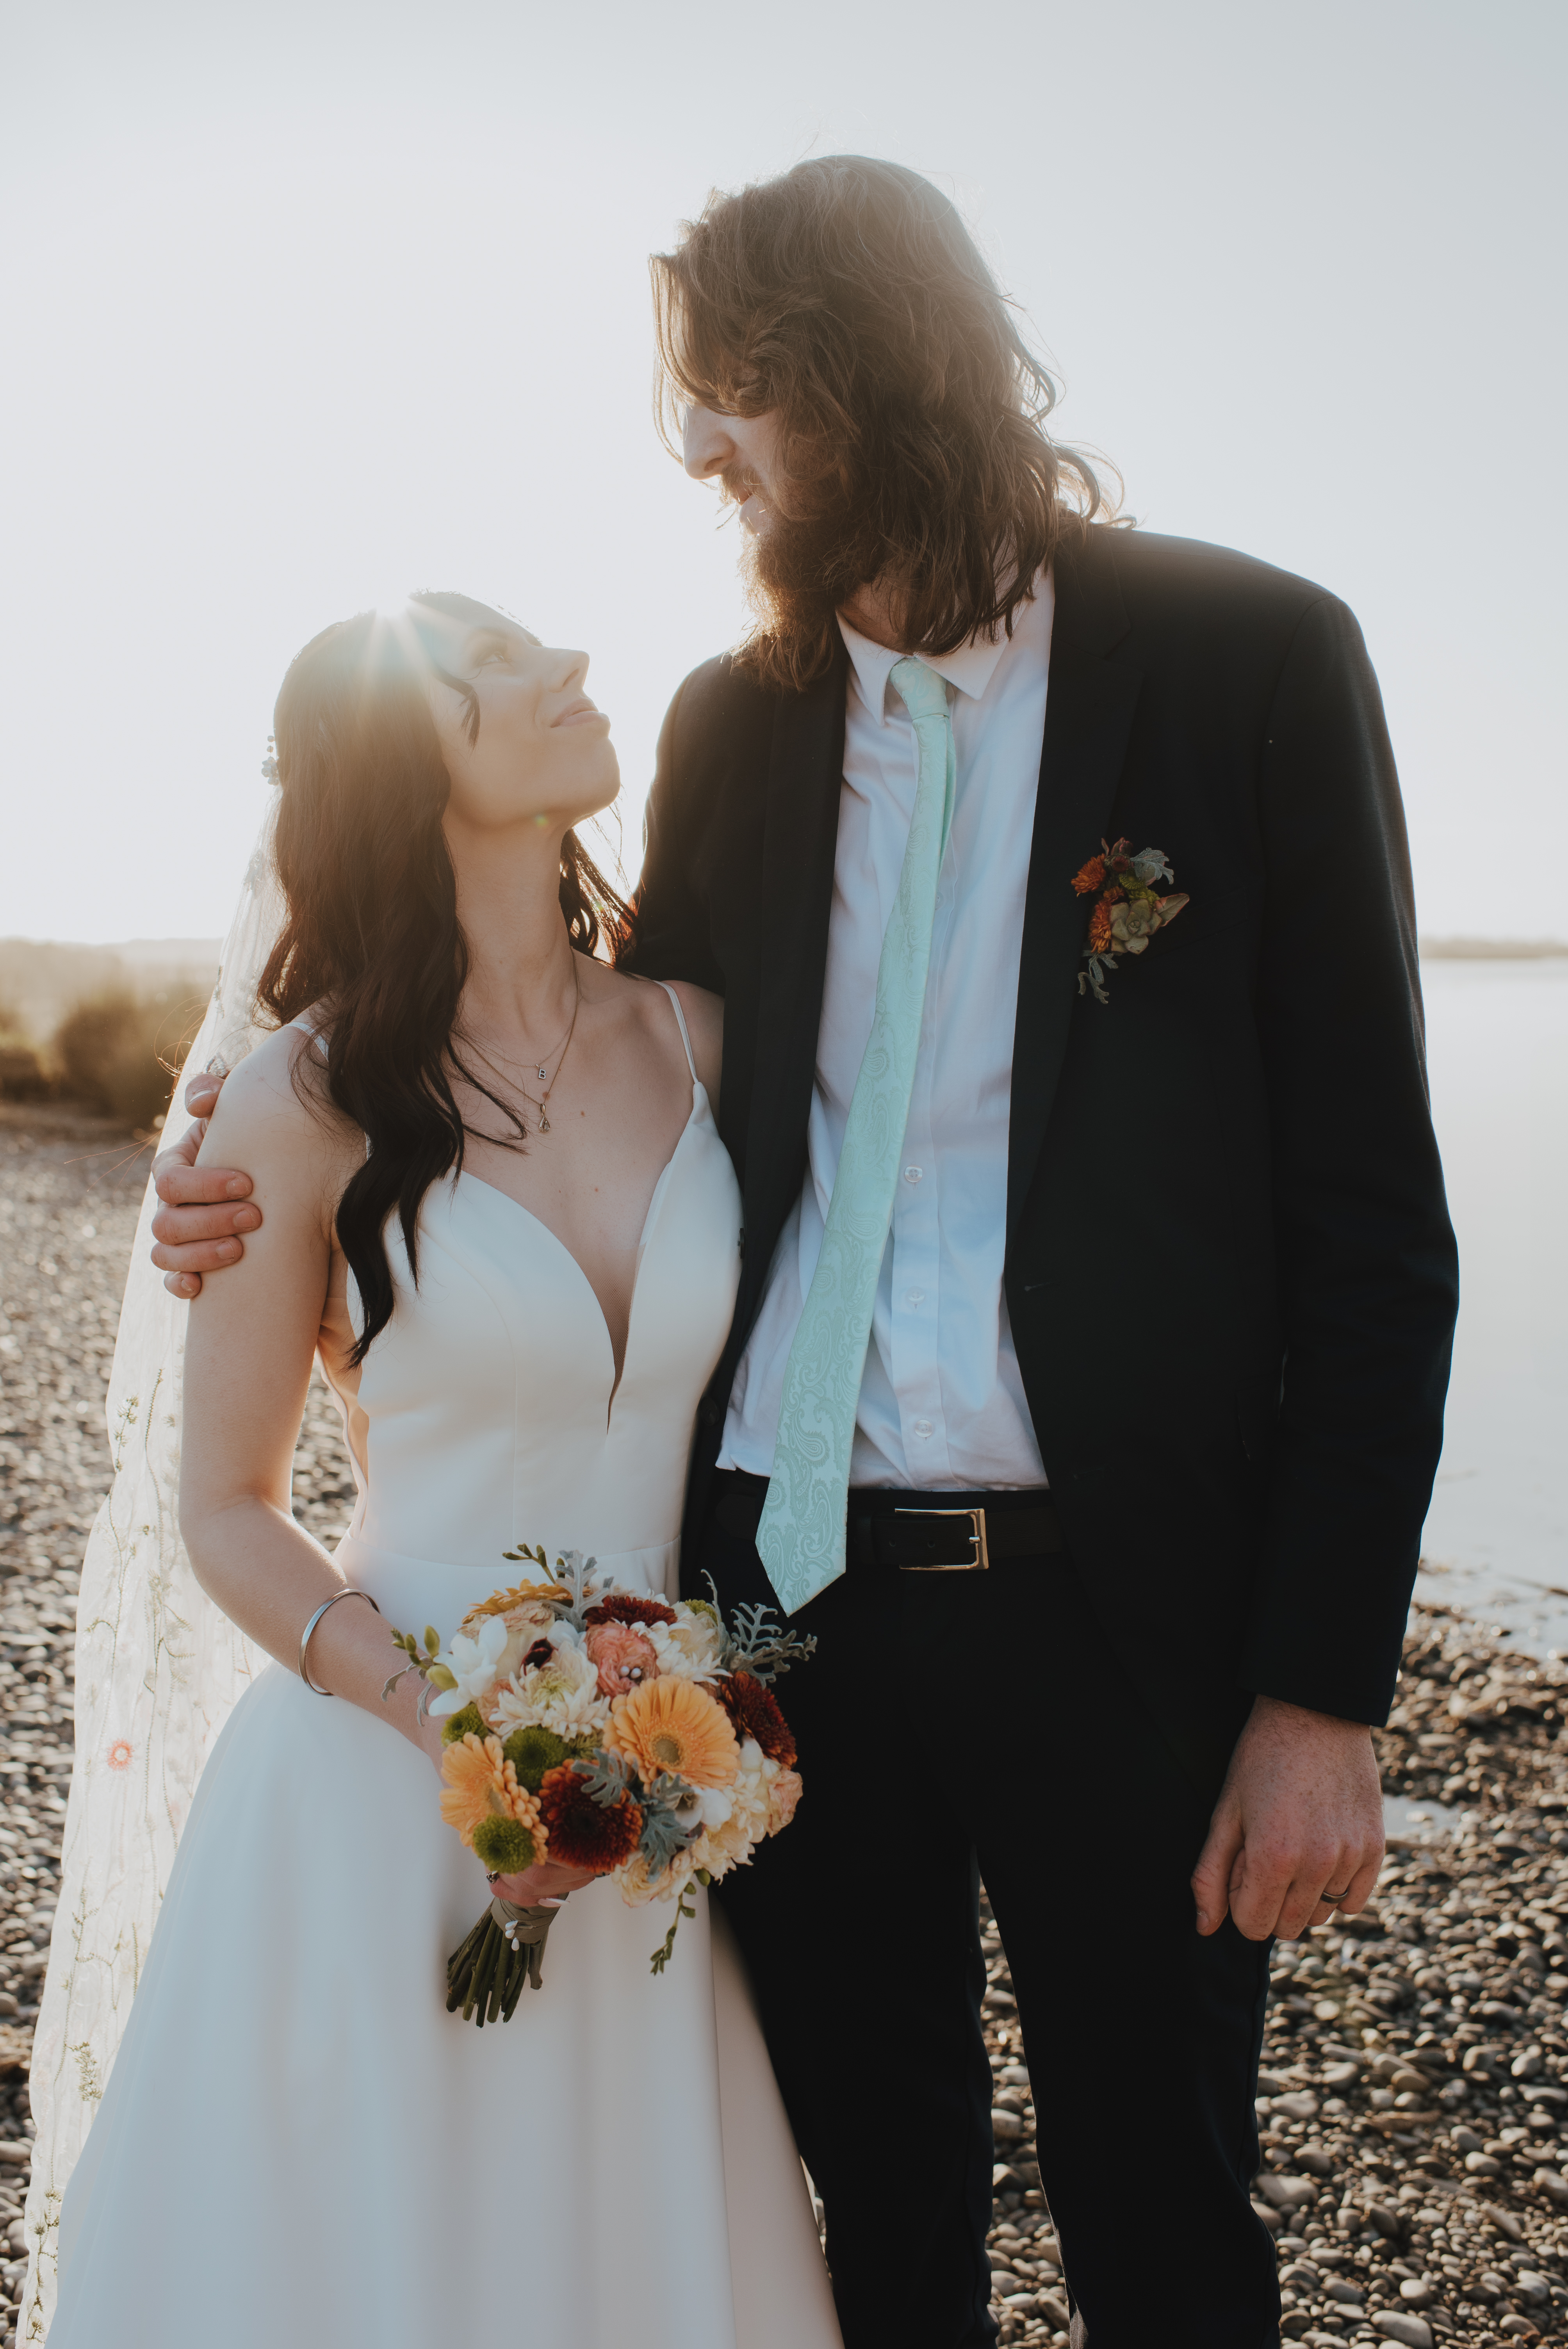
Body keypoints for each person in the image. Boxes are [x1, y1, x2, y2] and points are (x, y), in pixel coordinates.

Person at [151, 160, 1461, 2348]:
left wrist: (1323, 1693)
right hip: (773, 1627)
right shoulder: (731, 723)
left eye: (729, 397)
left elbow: (1372, 1224)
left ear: (866, 376)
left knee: (1170, 2209)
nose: (697, 456)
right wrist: (238, 1146)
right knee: (867, 2213)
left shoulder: (1251, 665)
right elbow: (555, 1076)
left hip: (1130, 1615)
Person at [51, 592, 842, 2349]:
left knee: (613, 2260)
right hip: (381, 1788)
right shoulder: (303, 1098)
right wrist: (450, 1730)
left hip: (649, 1786)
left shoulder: (705, 1043)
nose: (566, 667)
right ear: (405, 776)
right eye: (493, 671)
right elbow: (227, 1509)